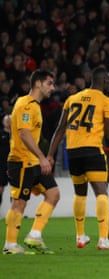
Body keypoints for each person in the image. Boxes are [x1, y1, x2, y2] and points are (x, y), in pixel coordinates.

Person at [47, 67, 109, 250]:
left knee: (80, 193)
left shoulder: (72, 99)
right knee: (101, 192)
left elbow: (60, 129)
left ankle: (80, 236)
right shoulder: (106, 101)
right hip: (93, 150)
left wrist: (49, 155)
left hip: (73, 152)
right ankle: (103, 240)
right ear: (104, 81)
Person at [3, 70, 59, 255]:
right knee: (19, 203)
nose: (53, 87)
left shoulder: (33, 106)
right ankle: (10, 245)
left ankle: (34, 235)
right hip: (22, 162)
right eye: (49, 83)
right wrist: (42, 157)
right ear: (38, 84)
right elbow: (24, 134)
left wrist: (42, 157)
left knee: (53, 193)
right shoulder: (27, 104)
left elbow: (24, 134)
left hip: (32, 161)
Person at [0, 114, 11, 211]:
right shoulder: (1, 134)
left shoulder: (18, 134)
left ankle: (15, 211)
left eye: (10, 120)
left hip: (14, 165)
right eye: (6, 120)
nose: (8, 122)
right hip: (1, 166)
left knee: (15, 190)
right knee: (0, 188)